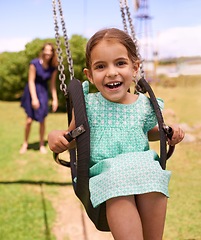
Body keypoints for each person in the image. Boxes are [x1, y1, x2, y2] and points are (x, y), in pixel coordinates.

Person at [48, 28, 185, 239]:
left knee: (154, 179)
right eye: (101, 66)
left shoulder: (144, 105)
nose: (111, 72)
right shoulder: (88, 105)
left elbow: (148, 132)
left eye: (120, 63)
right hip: (109, 173)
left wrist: (168, 132)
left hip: (143, 168)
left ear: (135, 67)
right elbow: (72, 137)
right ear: (90, 75)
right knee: (118, 184)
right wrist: (55, 137)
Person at [20, 42, 58, 154]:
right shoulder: (34, 63)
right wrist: (34, 98)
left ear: (52, 53)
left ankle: (41, 144)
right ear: (42, 51)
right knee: (29, 120)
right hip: (32, 91)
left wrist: (55, 99)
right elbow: (31, 81)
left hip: (43, 93)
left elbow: (52, 85)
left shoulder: (53, 68)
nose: (48, 52)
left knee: (42, 120)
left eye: (50, 51)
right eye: (46, 50)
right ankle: (25, 143)